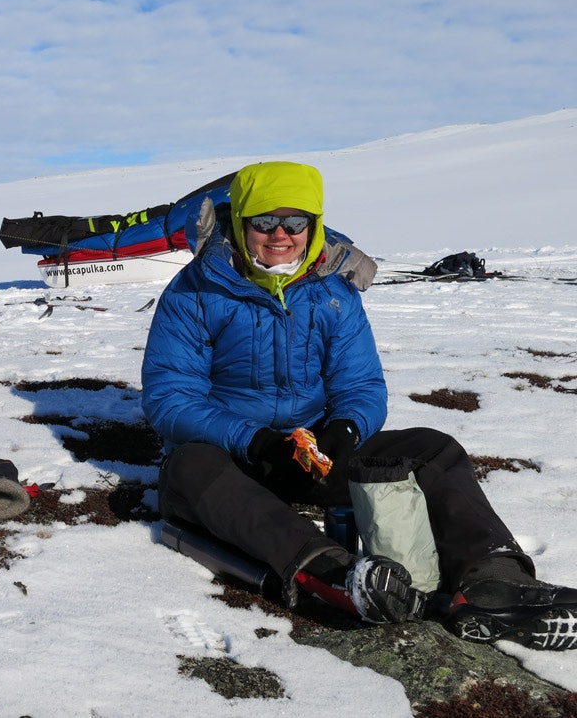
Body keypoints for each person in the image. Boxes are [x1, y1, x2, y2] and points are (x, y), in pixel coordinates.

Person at [141, 161, 577, 649]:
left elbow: (361, 384)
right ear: (240, 223)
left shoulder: (333, 289)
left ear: (314, 225)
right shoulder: (196, 291)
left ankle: (495, 578)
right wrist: (256, 441)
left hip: (316, 456)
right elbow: (169, 397)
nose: (280, 235)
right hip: (234, 458)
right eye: (264, 222)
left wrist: (345, 430)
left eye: (296, 222)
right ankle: (337, 574)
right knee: (187, 467)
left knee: (433, 449)